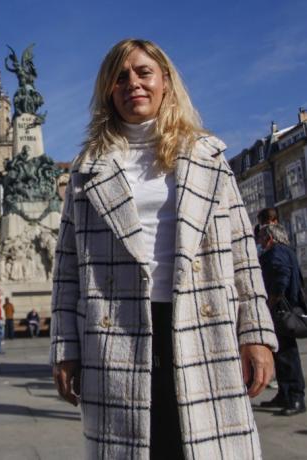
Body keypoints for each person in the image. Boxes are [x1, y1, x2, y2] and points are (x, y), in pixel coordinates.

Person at [51, 38, 277, 459]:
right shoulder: (87, 170)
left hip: (200, 320)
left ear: (166, 82)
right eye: (120, 77)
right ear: (108, 91)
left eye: (143, 73)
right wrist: (65, 348)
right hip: (116, 330)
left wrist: (257, 335)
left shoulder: (207, 158)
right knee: (138, 448)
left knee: (203, 446)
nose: (132, 84)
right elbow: (66, 269)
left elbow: (243, 253)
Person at [257, 223, 306, 415]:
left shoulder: (275, 252)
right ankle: (285, 394)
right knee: (280, 353)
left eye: (261, 238)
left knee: (287, 354)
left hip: (281, 311)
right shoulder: (287, 251)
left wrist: (272, 300)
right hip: (284, 309)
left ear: (270, 238)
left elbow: (281, 276)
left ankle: (296, 397)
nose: (259, 242)